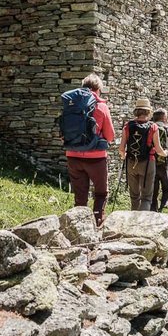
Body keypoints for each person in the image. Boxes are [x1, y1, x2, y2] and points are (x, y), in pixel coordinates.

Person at [63, 73, 115, 226]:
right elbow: (110, 136)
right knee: (100, 192)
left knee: (80, 195)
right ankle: (98, 223)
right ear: (98, 89)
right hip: (96, 158)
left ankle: (79, 226)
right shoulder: (101, 106)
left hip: (72, 155)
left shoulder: (71, 105)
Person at [118, 98, 166, 211]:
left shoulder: (128, 126)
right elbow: (158, 150)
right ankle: (142, 224)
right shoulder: (153, 127)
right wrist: (166, 153)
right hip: (148, 163)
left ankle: (133, 221)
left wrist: (123, 156)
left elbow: (121, 149)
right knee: (146, 197)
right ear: (148, 112)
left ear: (136, 111)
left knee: (134, 196)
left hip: (131, 162)